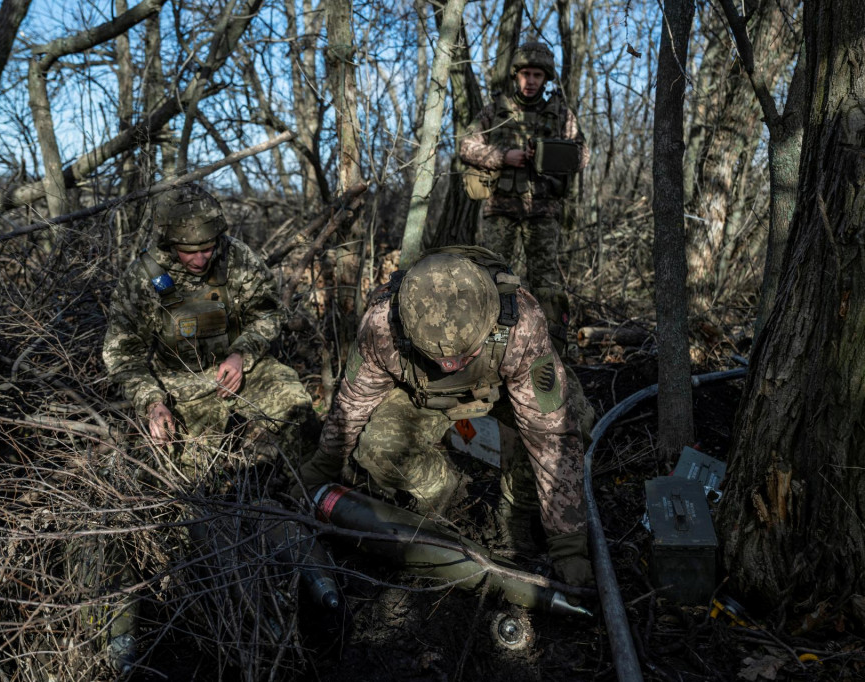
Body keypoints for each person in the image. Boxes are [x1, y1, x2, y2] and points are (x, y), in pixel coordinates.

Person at [294, 247, 592, 587]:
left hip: (501, 391)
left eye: (464, 355)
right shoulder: (381, 327)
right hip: (420, 399)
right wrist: (322, 467)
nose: (451, 365)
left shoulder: (520, 322)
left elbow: (550, 435)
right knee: (378, 449)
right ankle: (447, 500)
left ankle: (519, 509)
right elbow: (353, 402)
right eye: (439, 357)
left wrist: (568, 547)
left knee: (579, 422)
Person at [102, 182, 314, 481]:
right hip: (179, 387)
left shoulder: (236, 257)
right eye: (190, 251)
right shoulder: (142, 279)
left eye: (208, 248)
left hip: (243, 369)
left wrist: (242, 353)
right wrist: (152, 402)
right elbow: (123, 355)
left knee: (297, 411)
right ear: (169, 243)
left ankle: (308, 493)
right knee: (188, 481)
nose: (201, 259)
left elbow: (268, 312)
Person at [458, 41, 589, 351]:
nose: (531, 81)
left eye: (537, 75)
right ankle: (491, 348)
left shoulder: (559, 114)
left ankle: (552, 349)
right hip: (500, 208)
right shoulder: (496, 109)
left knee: (546, 283)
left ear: (546, 78)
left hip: (543, 209)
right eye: (526, 74)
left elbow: (582, 154)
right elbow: (466, 146)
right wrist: (504, 156)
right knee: (493, 279)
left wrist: (546, 154)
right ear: (516, 75)